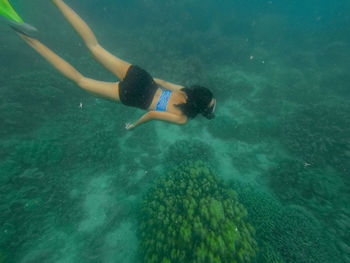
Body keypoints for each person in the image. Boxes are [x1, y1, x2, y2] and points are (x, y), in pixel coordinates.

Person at [5, 0, 216, 129]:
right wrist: (133, 126)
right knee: (80, 80)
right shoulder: (181, 118)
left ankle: (57, 1)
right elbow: (151, 114)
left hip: (143, 78)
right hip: (134, 96)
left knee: (94, 46)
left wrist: (150, 83)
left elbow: (161, 81)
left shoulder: (185, 91)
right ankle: (28, 39)